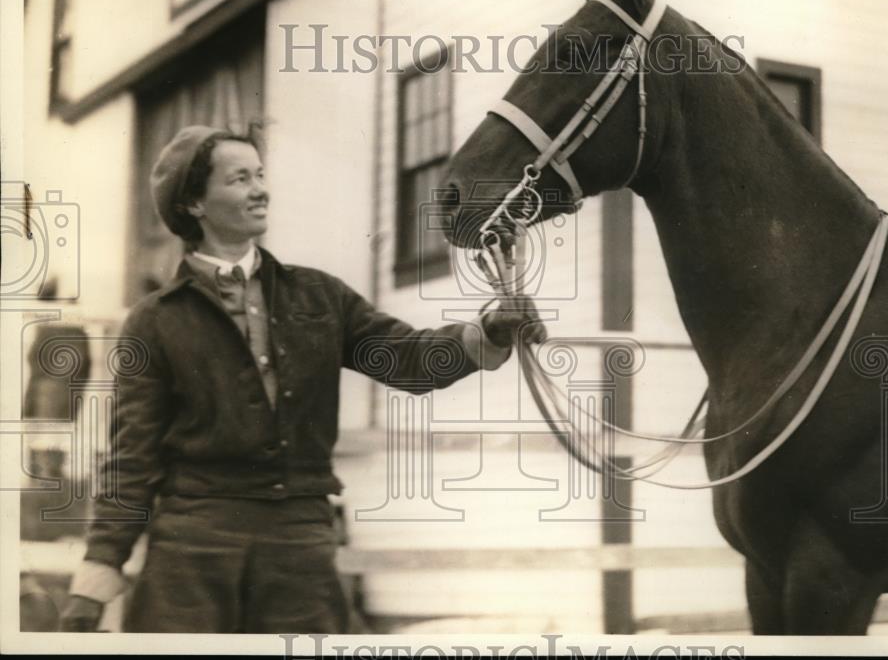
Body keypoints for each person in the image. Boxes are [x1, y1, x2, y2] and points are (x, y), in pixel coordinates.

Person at [59, 125, 544, 633]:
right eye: (239, 178)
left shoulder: (320, 297)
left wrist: (487, 331)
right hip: (193, 552)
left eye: (260, 175)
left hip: (299, 548)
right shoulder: (154, 320)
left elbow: (411, 360)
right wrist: (98, 572)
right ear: (195, 203)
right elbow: (131, 457)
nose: (260, 189)